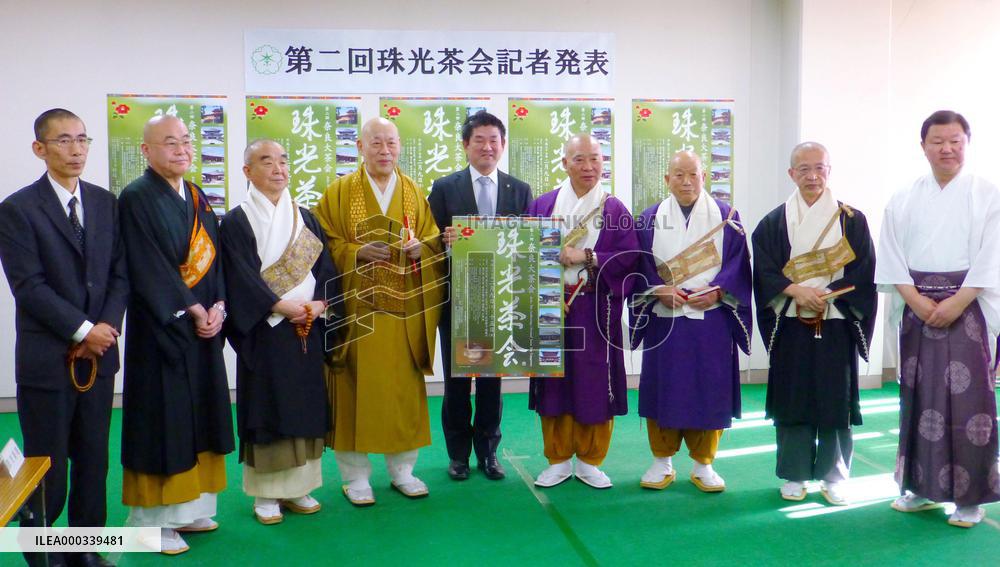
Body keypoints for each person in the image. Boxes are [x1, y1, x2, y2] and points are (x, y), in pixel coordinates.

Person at [0, 109, 127, 567]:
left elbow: (119, 273)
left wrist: (105, 330)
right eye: (63, 141)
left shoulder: (105, 203)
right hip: (48, 359)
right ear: (40, 148)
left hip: (99, 357)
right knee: (47, 464)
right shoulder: (17, 209)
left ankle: (87, 549)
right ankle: (43, 554)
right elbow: (29, 286)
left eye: (82, 140)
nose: (76, 150)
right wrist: (82, 330)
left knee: (94, 461)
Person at [876, 110, 1000, 528]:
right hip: (917, 309)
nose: (947, 148)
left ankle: (970, 498)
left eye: (955, 140)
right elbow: (891, 256)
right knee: (917, 398)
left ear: (967, 142)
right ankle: (919, 488)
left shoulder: (988, 194)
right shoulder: (904, 197)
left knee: (971, 403)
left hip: (969, 308)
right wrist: (916, 301)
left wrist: (956, 302)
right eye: (937, 141)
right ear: (923, 145)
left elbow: (991, 259)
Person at [313, 117, 445, 506]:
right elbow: (324, 242)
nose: (384, 151)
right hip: (358, 312)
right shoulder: (338, 192)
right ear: (359, 146)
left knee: (402, 391)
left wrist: (423, 247)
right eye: (376, 143)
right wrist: (355, 252)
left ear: (400, 147)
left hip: (405, 311)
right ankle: (356, 478)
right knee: (353, 388)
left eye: (391, 143)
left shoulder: (413, 191)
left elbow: (433, 238)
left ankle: (403, 470)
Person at [118, 115, 234, 554]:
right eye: (170, 143)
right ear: (146, 150)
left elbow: (217, 258)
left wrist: (219, 305)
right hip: (161, 329)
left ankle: (194, 506)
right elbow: (146, 264)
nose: (182, 150)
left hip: (204, 329)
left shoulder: (198, 195)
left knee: (202, 413)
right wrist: (191, 307)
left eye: (186, 141)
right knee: (161, 420)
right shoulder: (135, 198)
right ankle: (154, 520)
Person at [220, 139, 340, 524]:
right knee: (268, 405)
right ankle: (267, 494)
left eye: (283, 161)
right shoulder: (237, 221)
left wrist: (319, 304)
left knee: (305, 404)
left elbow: (326, 268)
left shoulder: (305, 217)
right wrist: (278, 306)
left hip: (306, 327)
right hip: (266, 331)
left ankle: (299, 488)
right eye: (266, 161)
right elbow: (238, 275)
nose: (278, 169)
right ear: (247, 172)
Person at [752, 142, 876, 506]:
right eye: (803, 169)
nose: (812, 176)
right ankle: (794, 473)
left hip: (836, 322)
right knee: (793, 396)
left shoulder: (852, 220)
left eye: (819, 168)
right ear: (791, 174)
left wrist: (825, 295)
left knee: (835, 398)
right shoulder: (773, 222)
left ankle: (834, 474)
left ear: (829, 171)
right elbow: (763, 271)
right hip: (792, 323)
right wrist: (794, 290)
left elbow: (864, 272)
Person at [630, 150, 752, 493]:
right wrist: (658, 289)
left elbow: (738, 265)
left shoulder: (728, 218)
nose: (686, 182)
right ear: (667, 179)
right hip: (664, 319)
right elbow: (638, 266)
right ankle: (661, 460)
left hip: (711, 320)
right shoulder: (649, 218)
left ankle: (704, 463)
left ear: (704, 177)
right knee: (662, 386)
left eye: (693, 174)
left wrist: (718, 292)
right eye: (678, 175)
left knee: (709, 388)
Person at [527, 133, 638, 489]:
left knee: (594, 381)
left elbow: (629, 258)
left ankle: (591, 460)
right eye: (579, 159)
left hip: (595, 307)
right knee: (553, 381)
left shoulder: (614, 209)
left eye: (595, 159)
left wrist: (588, 256)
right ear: (564, 163)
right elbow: (523, 256)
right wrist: (543, 290)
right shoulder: (542, 206)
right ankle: (557, 458)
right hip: (551, 306)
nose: (588, 167)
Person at [428, 111, 532, 481]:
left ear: (503, 145)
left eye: (494, 140)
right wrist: (444, 241)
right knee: (457, 382)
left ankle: (489, 452)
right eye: (479, 140)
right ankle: (457, 456)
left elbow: (528, 247)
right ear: (465, 145)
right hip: (458, 300)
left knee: (492, 381)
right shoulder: (444, 188)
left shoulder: (519, 190)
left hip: (500, 300)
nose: (487, 147)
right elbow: (429, 241)